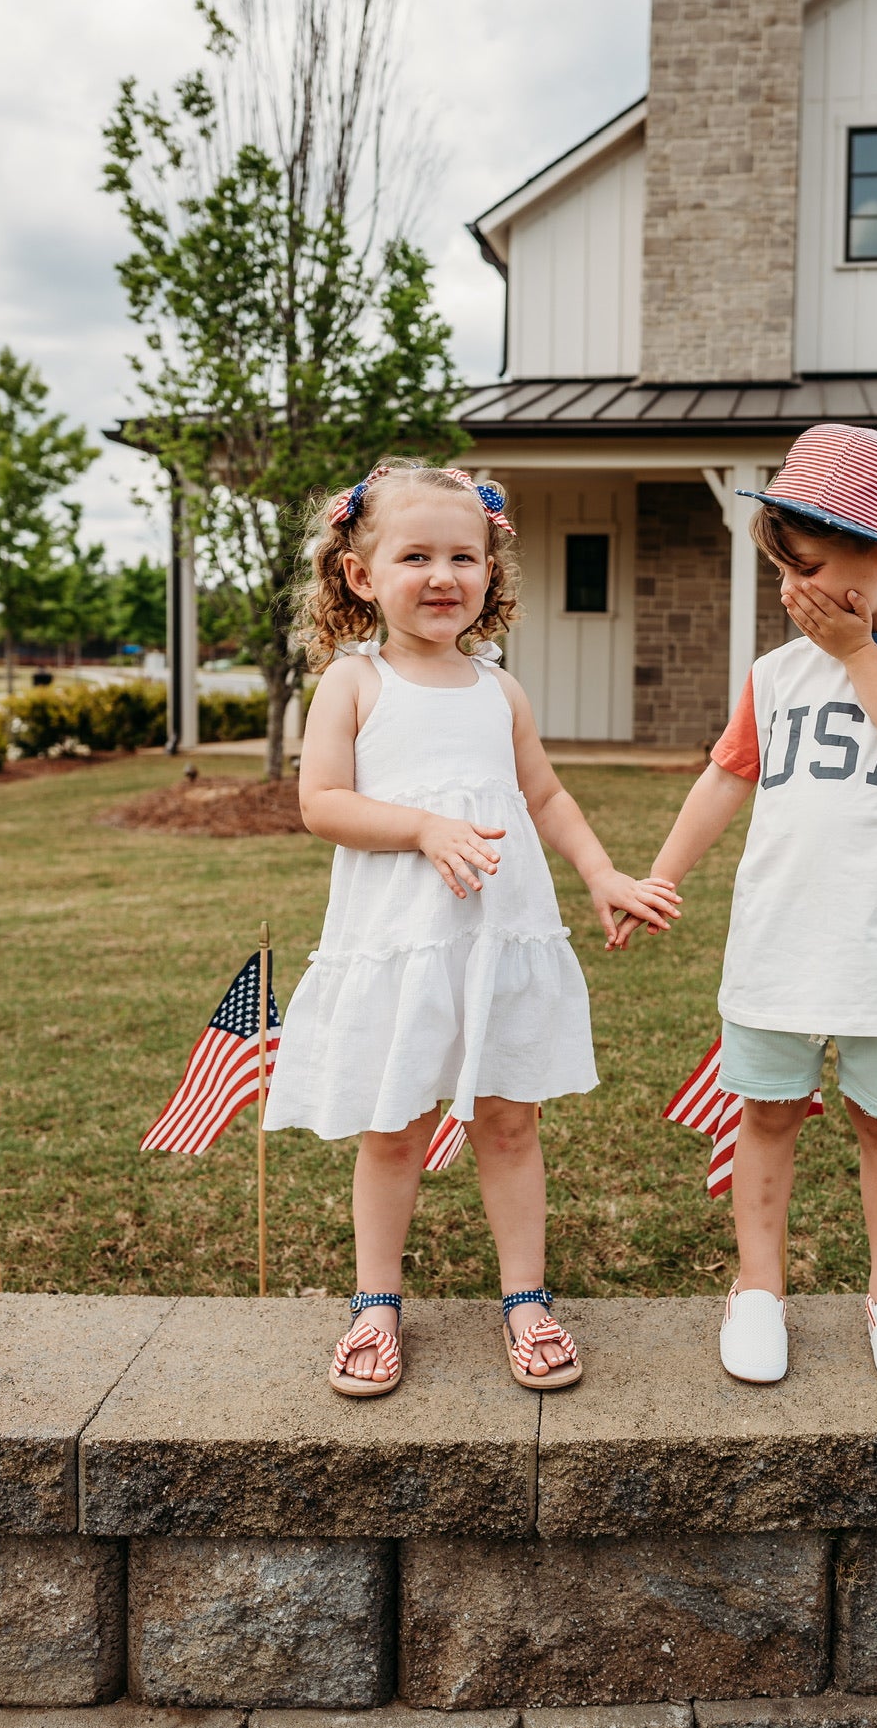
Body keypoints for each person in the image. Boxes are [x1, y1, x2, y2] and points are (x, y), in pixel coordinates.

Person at [264, 458, 680, 1399]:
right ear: (362, 574)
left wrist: (601, 871)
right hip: (403, 946)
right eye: (416, 555)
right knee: (394, 1128)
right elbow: (321, 802)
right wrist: (420, 826)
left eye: (466, 554)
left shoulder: (501, 691)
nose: (444, 574)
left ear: (492, 572)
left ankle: (524, 1298)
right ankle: (377, 1302)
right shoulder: (354, 684)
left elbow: (545, 794)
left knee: (510, 1121)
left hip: (500, 939)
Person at [618, 423, 877, 1391]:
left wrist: (860, 651)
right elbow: (723, 777)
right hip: (778, 943)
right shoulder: (774, 673)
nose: (792, 593)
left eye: (812, 567)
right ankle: (756, 1287)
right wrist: (660, 874)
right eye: (782, 570)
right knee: (768, 1113)